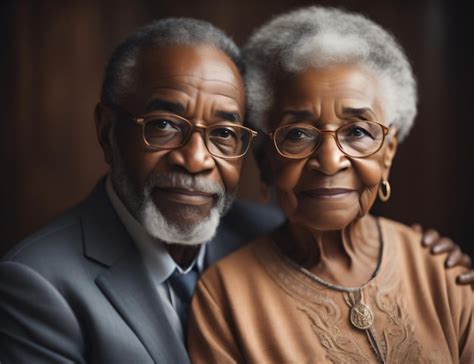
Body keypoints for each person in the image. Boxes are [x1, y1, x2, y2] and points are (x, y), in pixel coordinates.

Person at [0, 16, 470, 364]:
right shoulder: (36, 285)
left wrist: (435, 264)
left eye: (224, 133)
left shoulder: (274, 233)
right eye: (164, 125)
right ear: (107, 132)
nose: (197, 159)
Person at [188, 7, 474, 363]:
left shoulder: (441, 273)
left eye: (357, 132)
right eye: (298, 134)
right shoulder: (225, 299)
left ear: (387, 153)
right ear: (264, 162)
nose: (329, 160)